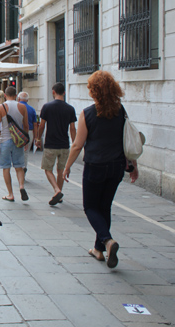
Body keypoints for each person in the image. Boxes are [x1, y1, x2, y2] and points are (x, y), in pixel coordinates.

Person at [63, 70, 138, 269]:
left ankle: (107, 241)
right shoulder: (120, 111)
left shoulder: (88, 113)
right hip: (116, 166)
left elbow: (78, 145)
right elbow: (127, 141)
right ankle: (98, 249)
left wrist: (67, 166)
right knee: (104, 207)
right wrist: (133, 166)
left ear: (94, 91)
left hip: (95, 166)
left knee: (90, 207)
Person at [36, 82, 77, 206]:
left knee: (48, 169)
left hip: (51, 144)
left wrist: (38, 139)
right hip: (64, 144)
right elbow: (72, 128)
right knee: (61, 171)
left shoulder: (47, 107)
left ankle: (56, 190)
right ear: (64, 93)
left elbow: (42, 125)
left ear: (53, 92)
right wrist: (74, 143)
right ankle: (58, 195)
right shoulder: (70, 108)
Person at [0, 87, 29, 202]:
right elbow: (26, 125)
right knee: (19, 167)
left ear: (5, 95)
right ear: (16, 95)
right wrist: (26, 141)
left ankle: (10, 194)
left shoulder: (0, 107)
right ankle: (21, 186)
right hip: (18, 141)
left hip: (5, 140)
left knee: (6, 168)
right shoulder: (22, 107)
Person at [18, 91, 39, 176]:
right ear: (27, 100)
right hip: (29, 132)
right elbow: (35, 124)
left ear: (19, 99)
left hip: (17, 132)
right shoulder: (32, 109)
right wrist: (36, 136)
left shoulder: (16, 107)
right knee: (26, 152)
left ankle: (19, 169)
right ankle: (24, 168)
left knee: (17, 151)